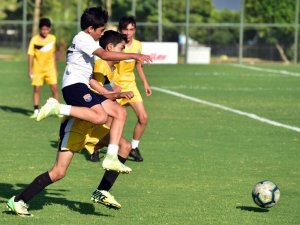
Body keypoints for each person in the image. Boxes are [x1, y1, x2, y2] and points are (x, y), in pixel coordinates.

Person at [35, 7, 152, 173]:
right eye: (101, 30)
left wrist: (113, 92)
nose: (102, 33)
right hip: (74, 86)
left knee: (119, 112)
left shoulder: (90, 41)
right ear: (90, 29)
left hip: (81, 85)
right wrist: (134, 55)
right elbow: (105, 55)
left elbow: (101, 61)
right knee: (100, 117)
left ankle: (111, 156)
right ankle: (57, 108)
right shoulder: (83, 38)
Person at [6, 93, 133, 216]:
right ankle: (18, 201)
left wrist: (115, 97)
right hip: (75, 127)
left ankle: (102, 191)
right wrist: (115, 94)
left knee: (124, 146)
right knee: (58, 172)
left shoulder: (112, 74)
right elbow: (92, 95)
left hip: (93, 127)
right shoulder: (92, 72)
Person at [116, 16, 152, 162]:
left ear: (135, 30)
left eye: (131, 29)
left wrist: (145, 83)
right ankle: (96, 147)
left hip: (131, 86)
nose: (128, 32)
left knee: (143, 118)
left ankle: (134, 147)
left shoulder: (137, 45)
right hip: (115, 87)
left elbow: (138, 65)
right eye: (125, 29)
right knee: (108, 121)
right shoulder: (114, 44)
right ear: (120, 30)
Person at [89, 30, 127, 162]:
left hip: (98, 109)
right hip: (88, 114)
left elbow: (105, 88)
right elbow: (96, 92)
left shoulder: (114, 69)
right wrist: (116, 93)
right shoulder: (100, 65)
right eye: (121, 48)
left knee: (114, 117)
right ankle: (100, 147)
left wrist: (115, 90)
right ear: (110, 48)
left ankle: (103, 148)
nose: (123, 53)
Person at [27, 18, 59, 118]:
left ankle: (57, 110)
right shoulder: (34, 39)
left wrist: (55, 68)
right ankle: (36, 111)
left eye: (47, 29)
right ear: (40, 29)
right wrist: (30, 69)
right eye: (43, 29)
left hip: (50, 68)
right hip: (37, 69)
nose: (45, 31)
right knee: (37, 89)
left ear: (49, 29)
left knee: (54, 89)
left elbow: (53, 54)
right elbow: (31, 54)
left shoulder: (52, 38)